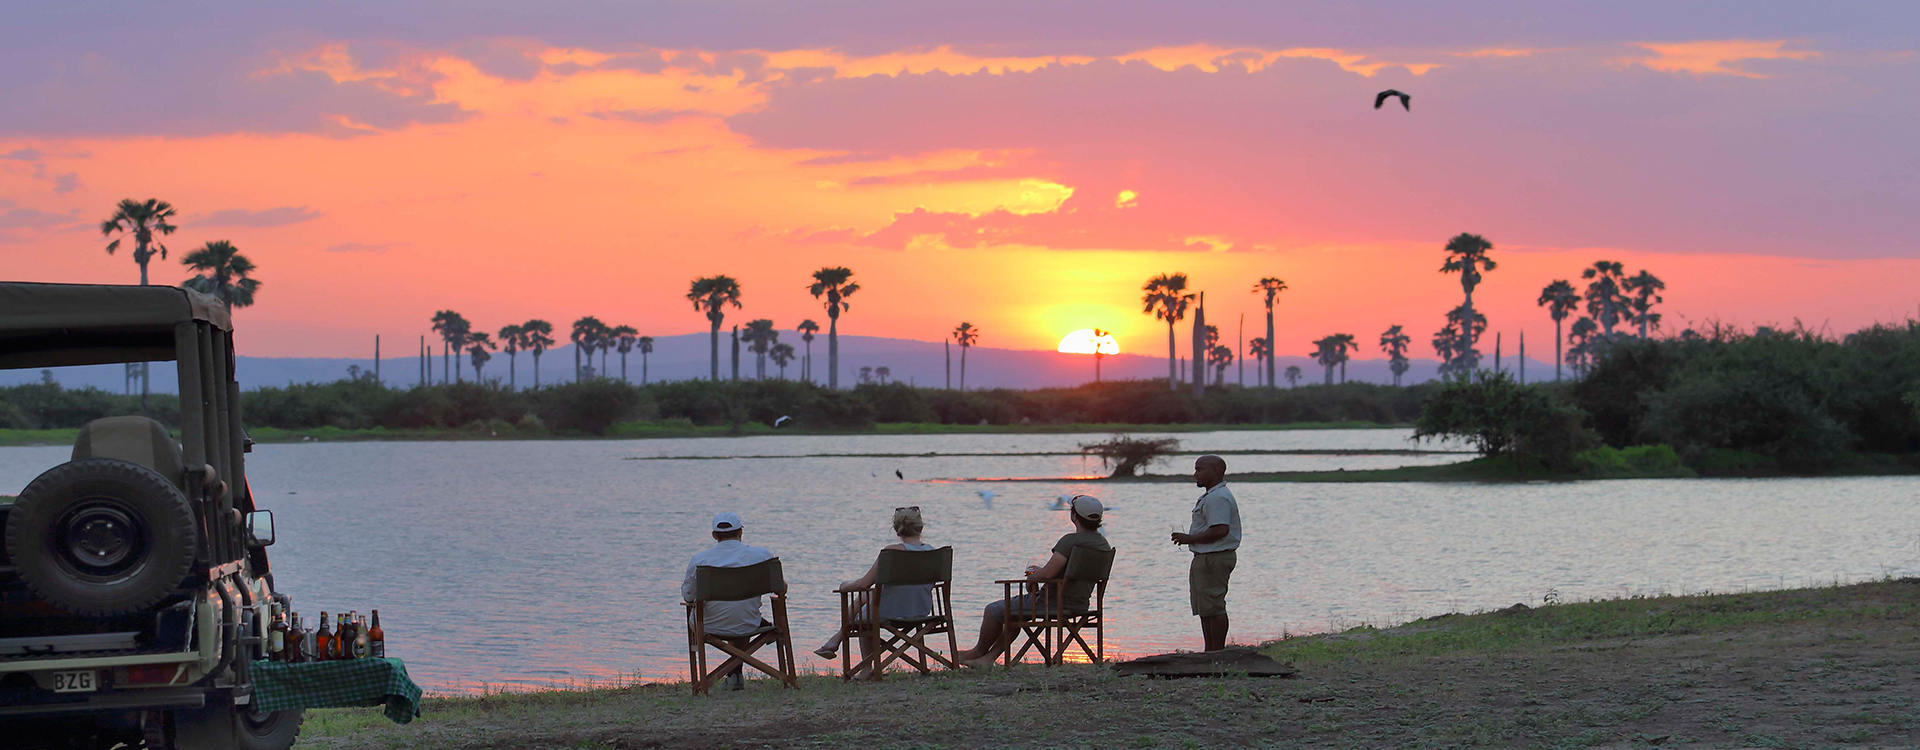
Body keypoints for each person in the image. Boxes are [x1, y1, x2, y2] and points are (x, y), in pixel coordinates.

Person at [956, 495, 1111, 667]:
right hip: (1080, 604)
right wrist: (1041, 572)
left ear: (1074, 516)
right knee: (1014, 612)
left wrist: (1032, 577)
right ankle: (987, 659)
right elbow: (1061, 571)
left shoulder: (1070, 541)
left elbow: (1047, 575)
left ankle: (978, 651)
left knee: (993, 610)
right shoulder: (1102, 544)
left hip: (1051, 603)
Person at [813, 506, 937, 671]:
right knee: (865, 598)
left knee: (866, 613)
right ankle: (835, 640)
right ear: (920, 527)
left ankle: (864, 667)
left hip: (891, 612)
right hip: (921, 609)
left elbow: (864, 584)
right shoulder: (932, 552)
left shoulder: (892, 552)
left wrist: (845, 585)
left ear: (896, 529)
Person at [681, 511, 776, 691]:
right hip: (750, 622)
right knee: (740, 613)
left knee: (726, 612)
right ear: (740, 532)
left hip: (708, 625)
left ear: (714, 535)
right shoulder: (762, 555)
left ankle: (728, 677)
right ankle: (735, 675)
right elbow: (780, 589)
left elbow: (688, 596)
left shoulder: (700, 560)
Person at [1171, 455, 1240, 651]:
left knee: (1214, 607)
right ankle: (1210, 652)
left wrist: (1189, 539)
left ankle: (1216, 653)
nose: (1195, 474)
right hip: (1207, 557)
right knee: (1205, 608)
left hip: (1215, 557)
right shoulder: (1212, 496)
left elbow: (1220, 530)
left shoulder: (1218, 497)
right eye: (1196, 469)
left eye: (1200, 469)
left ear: (1217, 471)